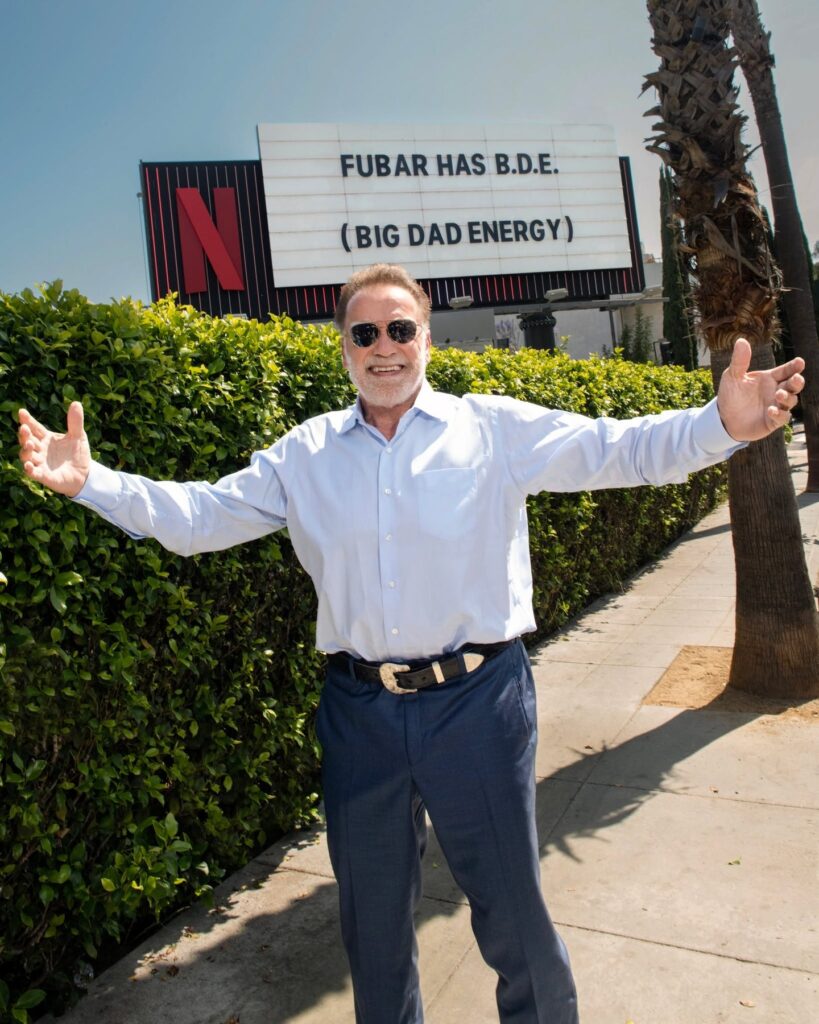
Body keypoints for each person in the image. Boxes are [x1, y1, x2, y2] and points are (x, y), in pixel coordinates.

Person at [17, 263, 804, 1024]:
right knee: (373, 928)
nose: (383, 346)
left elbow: (618, 449)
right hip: (359, 713)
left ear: (426, 340)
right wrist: (94, 483)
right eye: (365, 333)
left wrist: (717, 427)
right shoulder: (305, 454)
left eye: (400, 328)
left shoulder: (491, 428)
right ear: (345, 349)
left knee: (511, 914)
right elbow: (200, 519)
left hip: (478, 705)